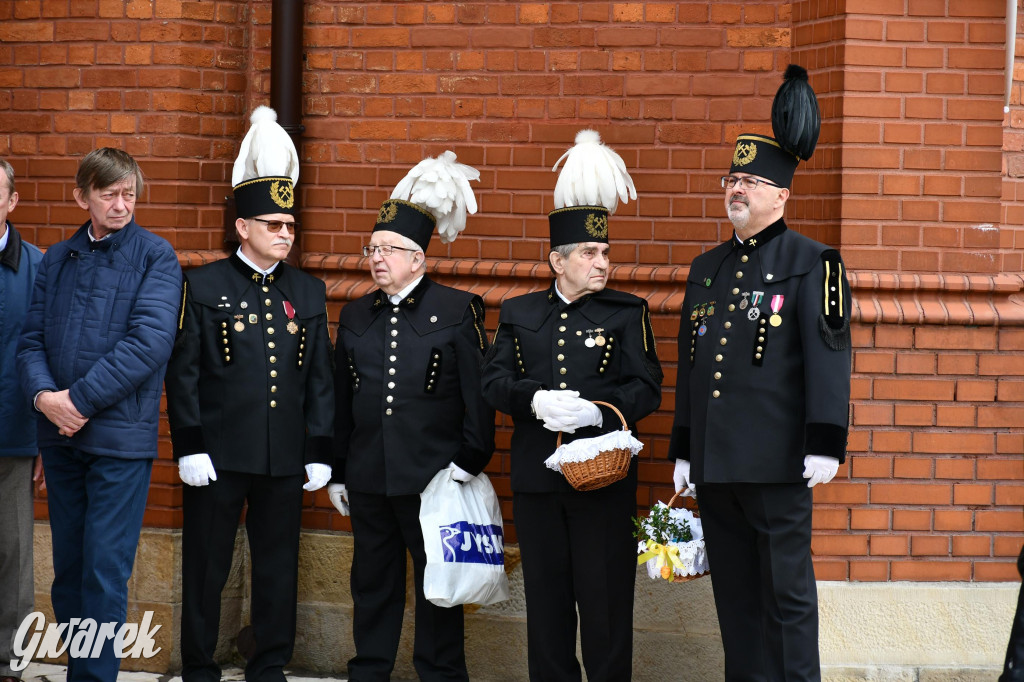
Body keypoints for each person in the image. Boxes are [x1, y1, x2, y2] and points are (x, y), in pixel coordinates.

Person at [668, 65, 852, 681]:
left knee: (788, 598)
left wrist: (825, 442)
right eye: (733, 179)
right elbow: (694, 365)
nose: (738, 189)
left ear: (781, 195)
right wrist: (684, 449)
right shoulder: (707, 268)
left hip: (777, 465)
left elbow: (829, 358)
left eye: (751, 181)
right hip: (717, 466)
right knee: (736, 602)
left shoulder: (813, 262)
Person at [481, 130, 663, 681]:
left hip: (604, 485)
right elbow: (493, 381)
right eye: (590, 253)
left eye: (605, 251)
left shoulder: (627, 312)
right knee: (548, 604)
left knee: (606, 605)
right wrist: (530, 397)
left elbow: (648, 386)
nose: (602, 262)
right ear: (558, 261)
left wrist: (598, 411)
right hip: (538, 480)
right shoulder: (519, 312)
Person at [165, 106, 334, 682]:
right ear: (243, 227)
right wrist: (188, 445)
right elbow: (183, 372)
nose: (285, 235)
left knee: (278, 567)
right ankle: (199, 665)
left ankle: (269, 666)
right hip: (216, 454)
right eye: (273, 226)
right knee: (206, 566)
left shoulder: (309, 292)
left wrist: (319, 449)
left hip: (283, 457)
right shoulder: (204, 283)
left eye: (290, 227)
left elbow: (319, 378)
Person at [16, 147, 182, 681]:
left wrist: (77, 403)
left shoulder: (157, 257)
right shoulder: (57, 259)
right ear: (81, 196)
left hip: (117, 441)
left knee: (104, 572)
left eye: (129, 193)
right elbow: (31, 340)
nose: (121, 204)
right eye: (109, 194)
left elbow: (149, 344)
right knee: (68, 573)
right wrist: (46, 398)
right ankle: (80, 671)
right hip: (61, 440)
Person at [328, 151, 494, 681]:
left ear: (418, 258)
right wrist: (335, 469)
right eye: (372, 249)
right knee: (371, 585)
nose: (377, 258)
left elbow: (479, 394)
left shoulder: (456, 308)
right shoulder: (356, 314)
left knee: (438, 588)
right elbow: (340, 398)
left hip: (434, 479)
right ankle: (369, 671)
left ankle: (441, 675)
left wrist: (470, 458)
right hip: (370, 476)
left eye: (389, 250)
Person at [0, 158, 42, 682]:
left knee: (12, 557)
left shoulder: (40, 268)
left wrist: (45, 443)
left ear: (12, 202)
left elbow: (50, 356)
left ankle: (7, 661)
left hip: (13, 434)